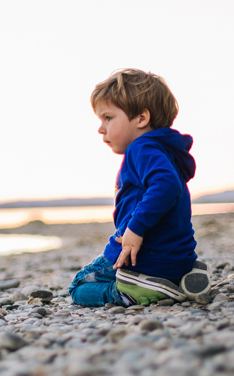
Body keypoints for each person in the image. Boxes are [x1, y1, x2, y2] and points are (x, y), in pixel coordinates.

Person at [68, 68, 209, 307]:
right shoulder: (166, 152)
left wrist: (135, 229)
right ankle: (180, 279)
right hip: (177, 258)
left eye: (108, 118)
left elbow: (166, 185)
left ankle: (131, 292)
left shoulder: (141, 149)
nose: (101, 128)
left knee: (78, 287)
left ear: (142, 119)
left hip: (144, 258)